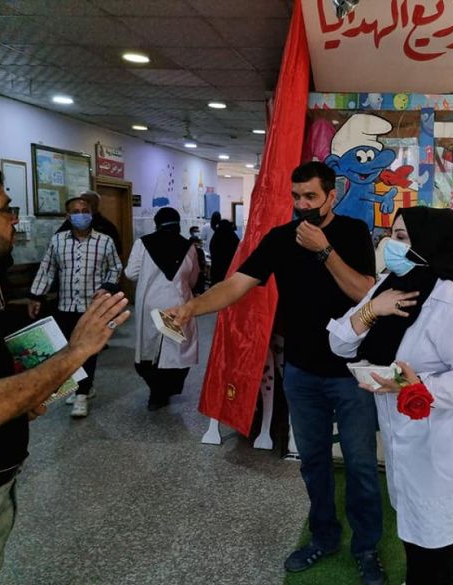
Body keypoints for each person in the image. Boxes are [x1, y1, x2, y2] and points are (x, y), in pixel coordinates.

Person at [167, 161, 386, 585]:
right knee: (314, 463)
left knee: (360, 465)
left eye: (311, 197)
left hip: (351, 373)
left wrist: (324, 250)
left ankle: (366, 547)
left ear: (332, 196)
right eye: (297, 197)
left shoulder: (353, 232)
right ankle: (323, 536)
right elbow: (237, 284)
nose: (302, 205)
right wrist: (192, 307)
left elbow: (364, 293)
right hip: (301, 373)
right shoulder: (280, 239)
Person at [0, 160, 130, 584]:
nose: (14, 219)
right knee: (77, 351)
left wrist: (25, 397)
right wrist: (75, 349)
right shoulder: (59, 242)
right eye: (6, 208)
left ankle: (81, 389)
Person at [328, 207, 453, 585]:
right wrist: (372, 309)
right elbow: (339, 343)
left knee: (434, 539)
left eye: (402, 238)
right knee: (414, 527)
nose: (390, 245)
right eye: (391, 235)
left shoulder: (450, 304)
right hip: (402, 438)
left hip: (439, 446)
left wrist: (414, 384)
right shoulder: (388, 287)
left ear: (429, 244)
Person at [28, 197, 122, 418]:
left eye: (85, 210)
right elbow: (47, 270)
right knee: (70, 350)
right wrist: (35, 296)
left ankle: (82, 394)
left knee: (88, 350)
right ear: (68, 216)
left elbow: (115, 268)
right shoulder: (58, 241)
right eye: (76, 211)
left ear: (91, 213)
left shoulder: (105, 241)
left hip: (93, 307)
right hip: (66, 305)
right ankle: (84, 386)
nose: (81, 215)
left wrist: (107, 287)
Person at [125, 207, 199, 410]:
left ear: (156, 224)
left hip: (151, 305)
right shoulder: (188, 246)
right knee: (175, 351)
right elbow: (193, 279)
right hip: (177, 305)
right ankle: (165, 391)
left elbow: (131, 273)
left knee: (150, 350)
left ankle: (157, 393)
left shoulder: (143, 243)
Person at [56, 190, 122, 255]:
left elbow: (116, 251)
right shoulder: (72, 220)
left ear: (96, 204)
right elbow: (58, 241)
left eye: (86, 201)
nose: (82, 204)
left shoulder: (107, 226)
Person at [209, 219, 240, 285]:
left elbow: (212, 250)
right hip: (230, 269)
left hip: (217, 269)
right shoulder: (233, 237)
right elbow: (238, 251)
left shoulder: (215, 237)